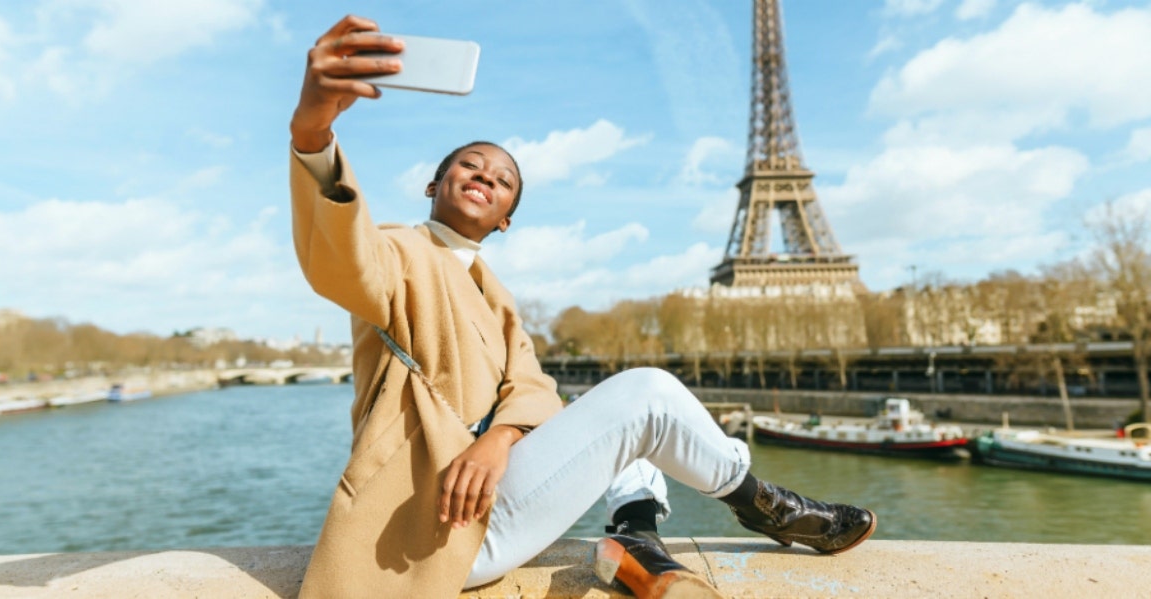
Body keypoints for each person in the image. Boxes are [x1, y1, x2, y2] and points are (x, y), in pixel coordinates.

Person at [289, 15, 876, 599]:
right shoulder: (397, 251)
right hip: (430, 525)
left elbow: (535, 388)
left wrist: (498, 440)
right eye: (470, 165)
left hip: (494, 502)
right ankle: (761, 505)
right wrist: (314, 132)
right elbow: (342, 259)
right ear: (433, 185)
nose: (485, 178)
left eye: (503, 181)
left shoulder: (497, 296)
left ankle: (638, 532)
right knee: (645, 393)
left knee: (599, 408)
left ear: (506, 219)